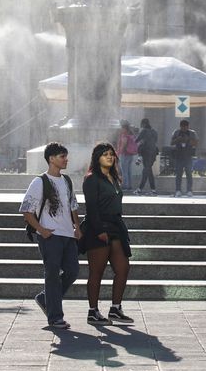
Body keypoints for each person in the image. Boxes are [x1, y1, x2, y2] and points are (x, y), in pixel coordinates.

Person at [20, 142, 81, 329]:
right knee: (52, 275)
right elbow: (26, 210)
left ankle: (46, 298)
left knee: (72, 271)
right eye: (62, 156)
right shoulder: (40, 182)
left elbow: (73, 206)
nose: (66, 159)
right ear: (51, 159)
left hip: (68, 235)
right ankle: (55, 317)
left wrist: (77, 227)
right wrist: (42, 230)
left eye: (66, 156)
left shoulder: (67, 181)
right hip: (50, 236)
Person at [79, 142, 133, 326]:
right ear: (97, 157)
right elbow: (91, 208)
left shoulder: (114, 177)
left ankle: (115, 308)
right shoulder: (91, 179)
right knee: (97, 272)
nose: (109, 157)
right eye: (105, 154)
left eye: (111, 154)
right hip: (98, 227)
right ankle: (93, 311)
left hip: (116, 226)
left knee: (123, 268)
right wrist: (99, 230)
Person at [170, 119, 198, 197]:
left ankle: (189, 190)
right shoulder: (176, 132)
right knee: (178, 174)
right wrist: (178, 139)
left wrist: (188, 139)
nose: (184, 129)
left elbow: (196, 143)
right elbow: (171, 143)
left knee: (189, 174)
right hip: (179, 156)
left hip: (188, 156)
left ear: (188, 126)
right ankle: (178, 190)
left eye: (185, 127)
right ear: (180, 127)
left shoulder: (192, 133)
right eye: (182, 127)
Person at [134, 118, 158, 196]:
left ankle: (139, 189)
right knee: (149, 171)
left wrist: (138, 136)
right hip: (153, 153)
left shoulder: (144, 131)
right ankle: (153, 190)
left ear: (143, 124)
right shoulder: (154, 131)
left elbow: (136, 140)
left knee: (145, 171)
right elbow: (155, 141)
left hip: (146, 153)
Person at [116, 120, 138, 191]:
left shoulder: (124, 135)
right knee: (129, 171)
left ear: (124, 129)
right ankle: (129, 185)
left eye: (122, 128)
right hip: (130, 154)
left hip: (124, 154)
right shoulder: (131, 135)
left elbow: (123, 145)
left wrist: (118, 153)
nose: (121, 130)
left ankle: (125, 185)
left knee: (124, 171)